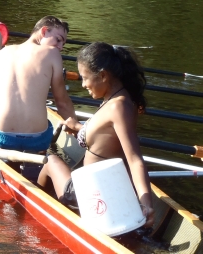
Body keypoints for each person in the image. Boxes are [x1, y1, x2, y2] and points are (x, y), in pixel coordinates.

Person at [36, 42, 155, 227]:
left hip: (95, 194)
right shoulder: (118, 98)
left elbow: (135, 160)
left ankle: (37, 209)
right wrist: (78, 128)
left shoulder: (118, 106)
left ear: (103, 75)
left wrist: (146, 204)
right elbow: (107, 135)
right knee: (55, 162)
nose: (83, 84)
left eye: (85, 78)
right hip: (104, 185)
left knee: (50, 161)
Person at [0, 16, 76, 151]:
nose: (59, 47)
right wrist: (77, 129)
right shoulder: (52, 54)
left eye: (62, 44)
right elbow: (62, 103)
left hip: (1, 137)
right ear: (43, 31)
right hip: (39, 140)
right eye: (58, 40)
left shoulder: (3, 52)